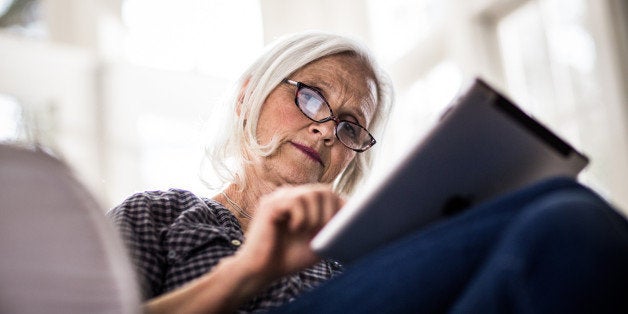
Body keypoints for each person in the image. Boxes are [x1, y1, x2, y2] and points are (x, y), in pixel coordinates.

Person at [108, 31, 628, 314]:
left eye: (351, 126)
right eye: (311, 96)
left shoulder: (347, 261)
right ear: (249, 95)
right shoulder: (159, 215)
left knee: (559, 236)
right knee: (568, 212)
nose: (329, 131)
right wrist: (249, 270)